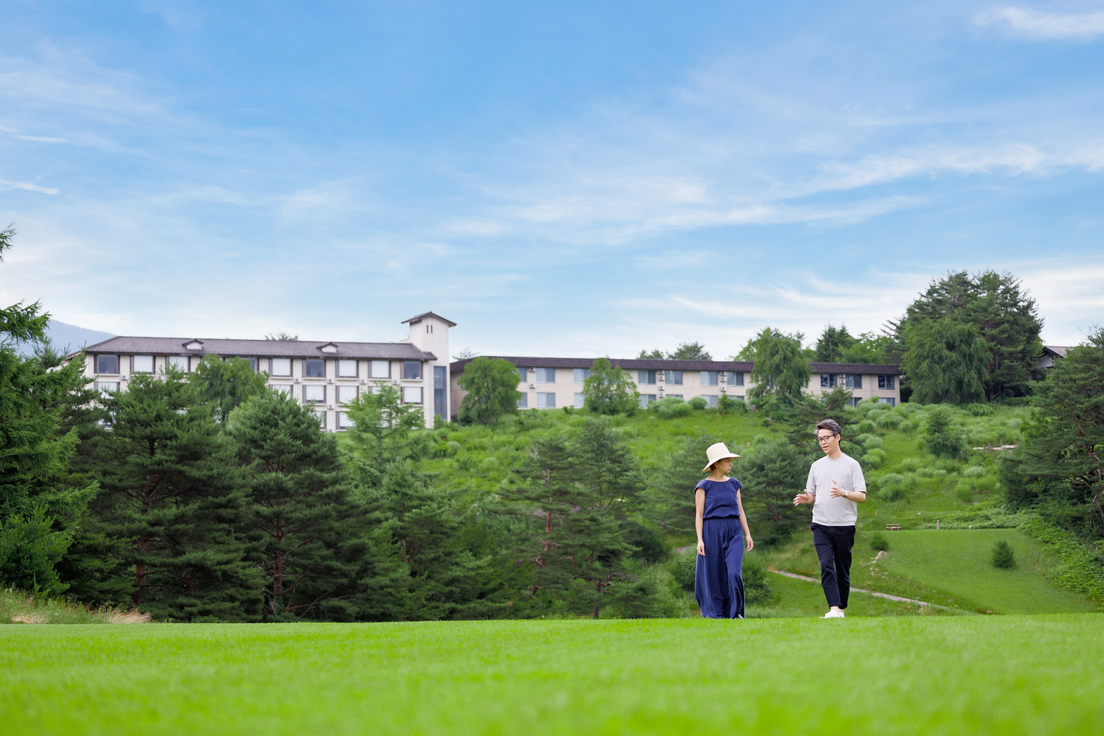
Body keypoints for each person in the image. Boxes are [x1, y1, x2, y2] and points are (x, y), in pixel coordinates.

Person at [793, 418, 866, 618]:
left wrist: (843, 492)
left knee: (842, 569)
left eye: (826, 438)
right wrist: (806, 498)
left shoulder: (852, 465)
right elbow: (813, 495)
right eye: (820, 439)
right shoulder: (816, 466)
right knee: (826, 565)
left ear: (838, 437)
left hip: (844, 525)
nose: (823, 442)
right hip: (821, 525)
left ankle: (841, 609)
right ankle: (833, 608)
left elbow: (862, 496)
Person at [695, 442, 754, 619]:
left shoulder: (734, 484)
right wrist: (700, 539)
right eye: (727, 460)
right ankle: (716, 614)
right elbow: (699, 515)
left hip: (733, 530)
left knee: (734, 573)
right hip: (711, 531)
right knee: (714, 574)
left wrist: (748, 534)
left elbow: (741, 510)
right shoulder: (703, 486)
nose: (731, 464)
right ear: (716, 464)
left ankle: (735, 613)